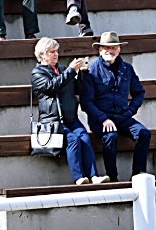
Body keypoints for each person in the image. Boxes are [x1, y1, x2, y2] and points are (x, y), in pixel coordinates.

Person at [31, 37, 107, 186]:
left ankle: (94, 176)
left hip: (71, 118)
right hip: (53, 121)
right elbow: (51, 86)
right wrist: (71, 70)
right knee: (72, 139)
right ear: (42, 54)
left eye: (57, 51)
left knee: (85, 138)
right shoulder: (37, 73)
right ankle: (79, 177)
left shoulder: (62, 69)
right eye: (52, 52)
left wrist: (83, 74)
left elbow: (77, 89)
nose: (56, 54)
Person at [79, 31, 150, 182]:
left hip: (123, 116)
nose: (109, 51)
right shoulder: (92, 70)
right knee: (111, 136)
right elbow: (86, 102)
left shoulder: (127, 69)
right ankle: (113, 177)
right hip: (100, 119)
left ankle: (138, 175)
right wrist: (103, 119)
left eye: (113, 48)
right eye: (106, 48)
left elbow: (139, 93)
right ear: (100, 50)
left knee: (144, 133)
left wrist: (131, 110)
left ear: (119, 49)